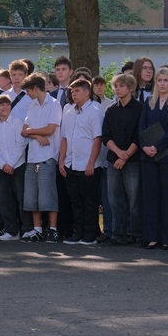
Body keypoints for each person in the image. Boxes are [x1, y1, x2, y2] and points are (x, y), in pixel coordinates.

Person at [140, 67, 168, 249]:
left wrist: (157, 146)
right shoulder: (149, 101)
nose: (162, 84)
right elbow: (141, 126)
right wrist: (145, 147)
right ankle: (151, 236)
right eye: (159, 80)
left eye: (166, 80)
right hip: (148, 156)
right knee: (151, 197)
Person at [58, 79, 103, 246]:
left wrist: (91, 163)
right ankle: (78, 232)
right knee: (75, 200)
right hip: (71, 163)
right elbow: (65, 137)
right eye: (72, 91)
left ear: (86, 92)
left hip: (88, 165)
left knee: (89, 201)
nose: (74, 94)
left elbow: (97, 138)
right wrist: (61, 160)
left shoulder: (95, 111)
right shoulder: (68, 111)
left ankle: (90, 234)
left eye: (77, 91)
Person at [20, 74, 62, 243]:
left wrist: (32, 132)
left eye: (28, 90)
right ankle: (37, 229)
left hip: (48, 155)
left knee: (48, 194)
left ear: (36, 88)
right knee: (32, 195)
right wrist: (36, 135)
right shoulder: (32, 105)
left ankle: (53, 229)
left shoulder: (54, 104)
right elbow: (24, 131)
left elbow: (50, 129)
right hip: (32, 156)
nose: (27, 94)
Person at [102, 73, 142, 246]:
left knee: (135, 199)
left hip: (133, 160)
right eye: (116, 86)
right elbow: (106, 136)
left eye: (122, 86)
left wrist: (125, 156)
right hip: (114, 159)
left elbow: (139, 136)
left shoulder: (140, 109)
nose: (117, 89)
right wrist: (119, 153)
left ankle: (135, 233)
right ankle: (118, 234)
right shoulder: (111, 110)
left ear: (131, 88)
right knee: (114, 199)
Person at [0, 93, 31, 241]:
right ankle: (12, 231)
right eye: (1, 105)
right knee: (4, 200)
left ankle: (27, 229)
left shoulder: (17, 122)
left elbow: (21, 144)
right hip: (2, 168)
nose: (5, 107)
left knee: (22, 199)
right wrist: (3, 164)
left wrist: (11, 163)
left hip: (18, 166)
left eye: (7, 104)